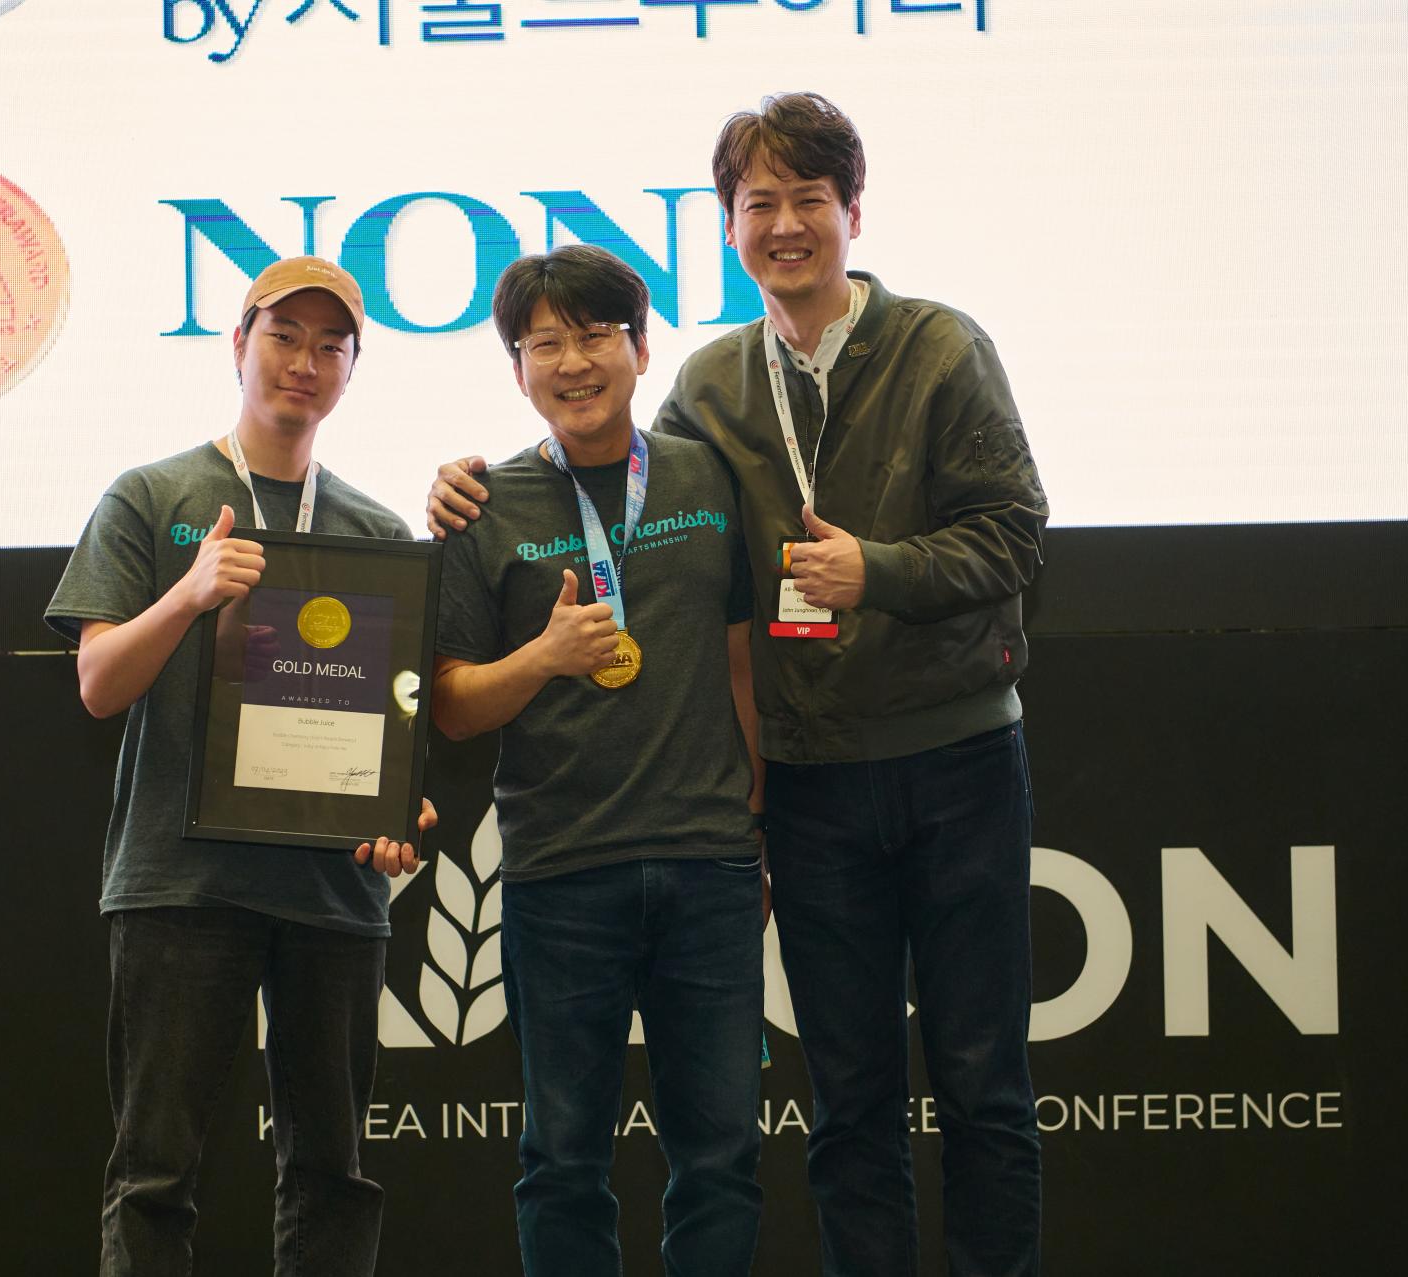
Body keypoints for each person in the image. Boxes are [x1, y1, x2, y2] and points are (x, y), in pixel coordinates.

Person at [428, 95, 1050, 1276]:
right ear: (726, 227)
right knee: (850, 1099)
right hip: (811, 786)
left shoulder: (942, 347)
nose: (786, 225)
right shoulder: (712, 385)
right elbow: (605, 468)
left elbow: (1016, 535)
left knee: (983, 1081)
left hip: (957, 757)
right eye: (760, 203)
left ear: (853, 211)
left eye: (810, 198)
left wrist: (879, 570)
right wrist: (464, 481)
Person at [46, 255, 436, 1277]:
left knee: (333, 1176)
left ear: (351, 369)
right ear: (238, 343)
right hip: (183, 882)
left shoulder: (374, 531)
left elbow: (387, 722)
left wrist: (398, 804)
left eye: (330, 346)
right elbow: (97, 684)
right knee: (155, 1174)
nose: (305, 361)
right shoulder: (152, 495)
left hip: (331, 894)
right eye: (284, 336)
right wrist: (187, 594)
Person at [430, 244, 767, 1277]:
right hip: (560, 871)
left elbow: (742, 660)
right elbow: (449, 705)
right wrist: (542, 657)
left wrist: (758, 824)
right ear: (517, 369)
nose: (573, 362)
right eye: (545, 344)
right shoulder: (481, 505)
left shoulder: (708, 474)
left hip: (709, 866)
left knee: (721, 1157)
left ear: (642, 348)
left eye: (595, 335)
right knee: (563, 1161)